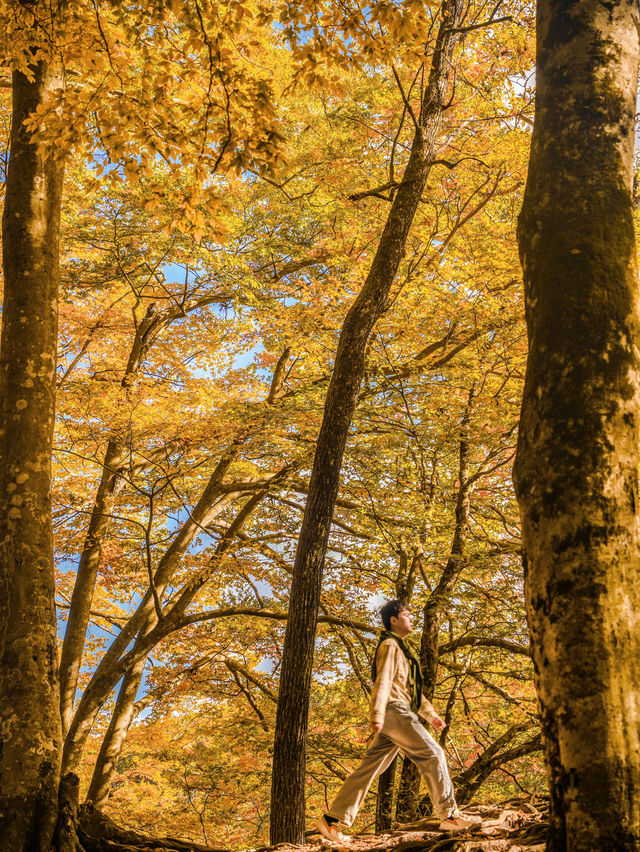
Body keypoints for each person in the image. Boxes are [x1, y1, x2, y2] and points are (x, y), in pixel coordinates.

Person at [316, 599, 478, 842]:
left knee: (370, 767)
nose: (412, 618)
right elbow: (382, 682)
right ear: (394, 620)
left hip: (394, 712)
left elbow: (410, 690)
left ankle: (332, 821)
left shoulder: (401, 649)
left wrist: (431, 715)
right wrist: (377, 715)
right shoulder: (390, 645)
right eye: (407, 614)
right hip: (394, 711)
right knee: (433, 754)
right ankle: (450, 816)